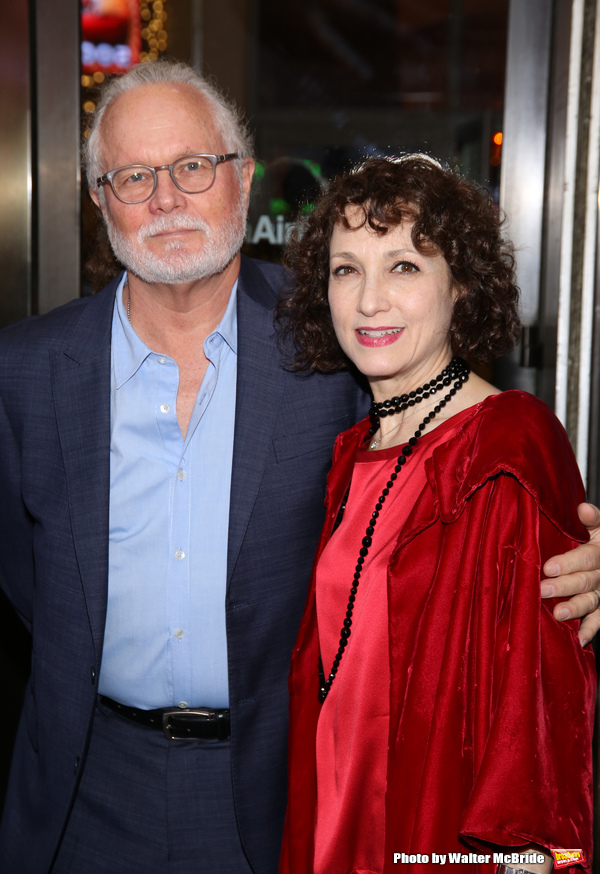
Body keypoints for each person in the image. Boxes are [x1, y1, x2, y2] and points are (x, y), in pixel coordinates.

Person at [0, 62, 597, 874]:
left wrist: (573, 553)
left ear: (242, 182)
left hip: (277, 795)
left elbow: (449, 462)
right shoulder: (26, 372)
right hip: (84, 790)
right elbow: (25, 581)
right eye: (134, 176)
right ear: (99, 198)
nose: (166, 198)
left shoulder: (335, 343)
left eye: (192, 166)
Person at [277, 156, 596, 874]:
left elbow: (538, 728)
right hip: (335, 822)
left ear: (461, 286)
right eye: (346, 269)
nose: (368, 302)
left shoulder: (507, 441)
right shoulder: (353, 453)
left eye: (404, 268)